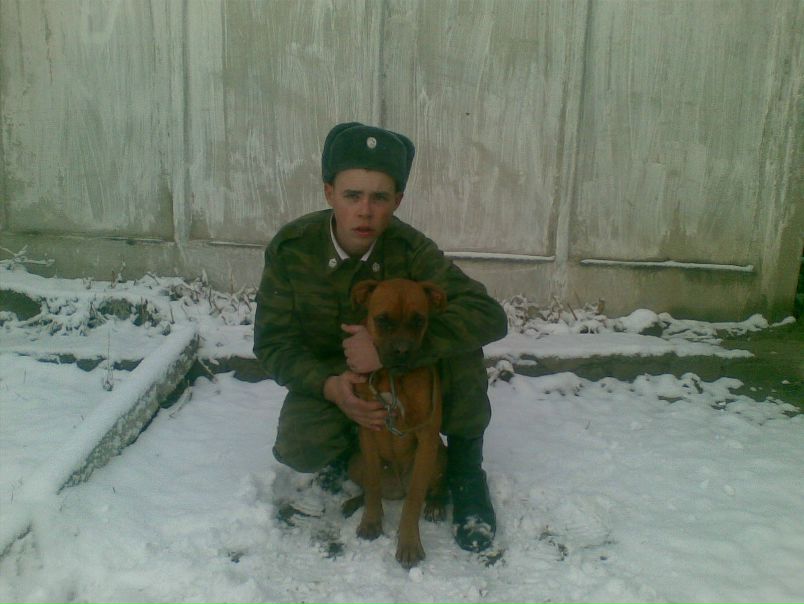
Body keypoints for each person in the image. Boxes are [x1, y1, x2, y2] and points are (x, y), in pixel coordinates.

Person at [253, 122, 508, 553]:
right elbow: (272, 343)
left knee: (463, 351)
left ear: (398, 201)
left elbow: (488, 315)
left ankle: (465, 474)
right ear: (329, 193)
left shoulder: (411, 249)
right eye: (352, 195)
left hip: (404, 368)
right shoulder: (293, 249)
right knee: (300, 445)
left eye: (380, 198)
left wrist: (390, 351)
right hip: (337, 375)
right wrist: (330, 386)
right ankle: (354, 454)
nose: (366, 211)